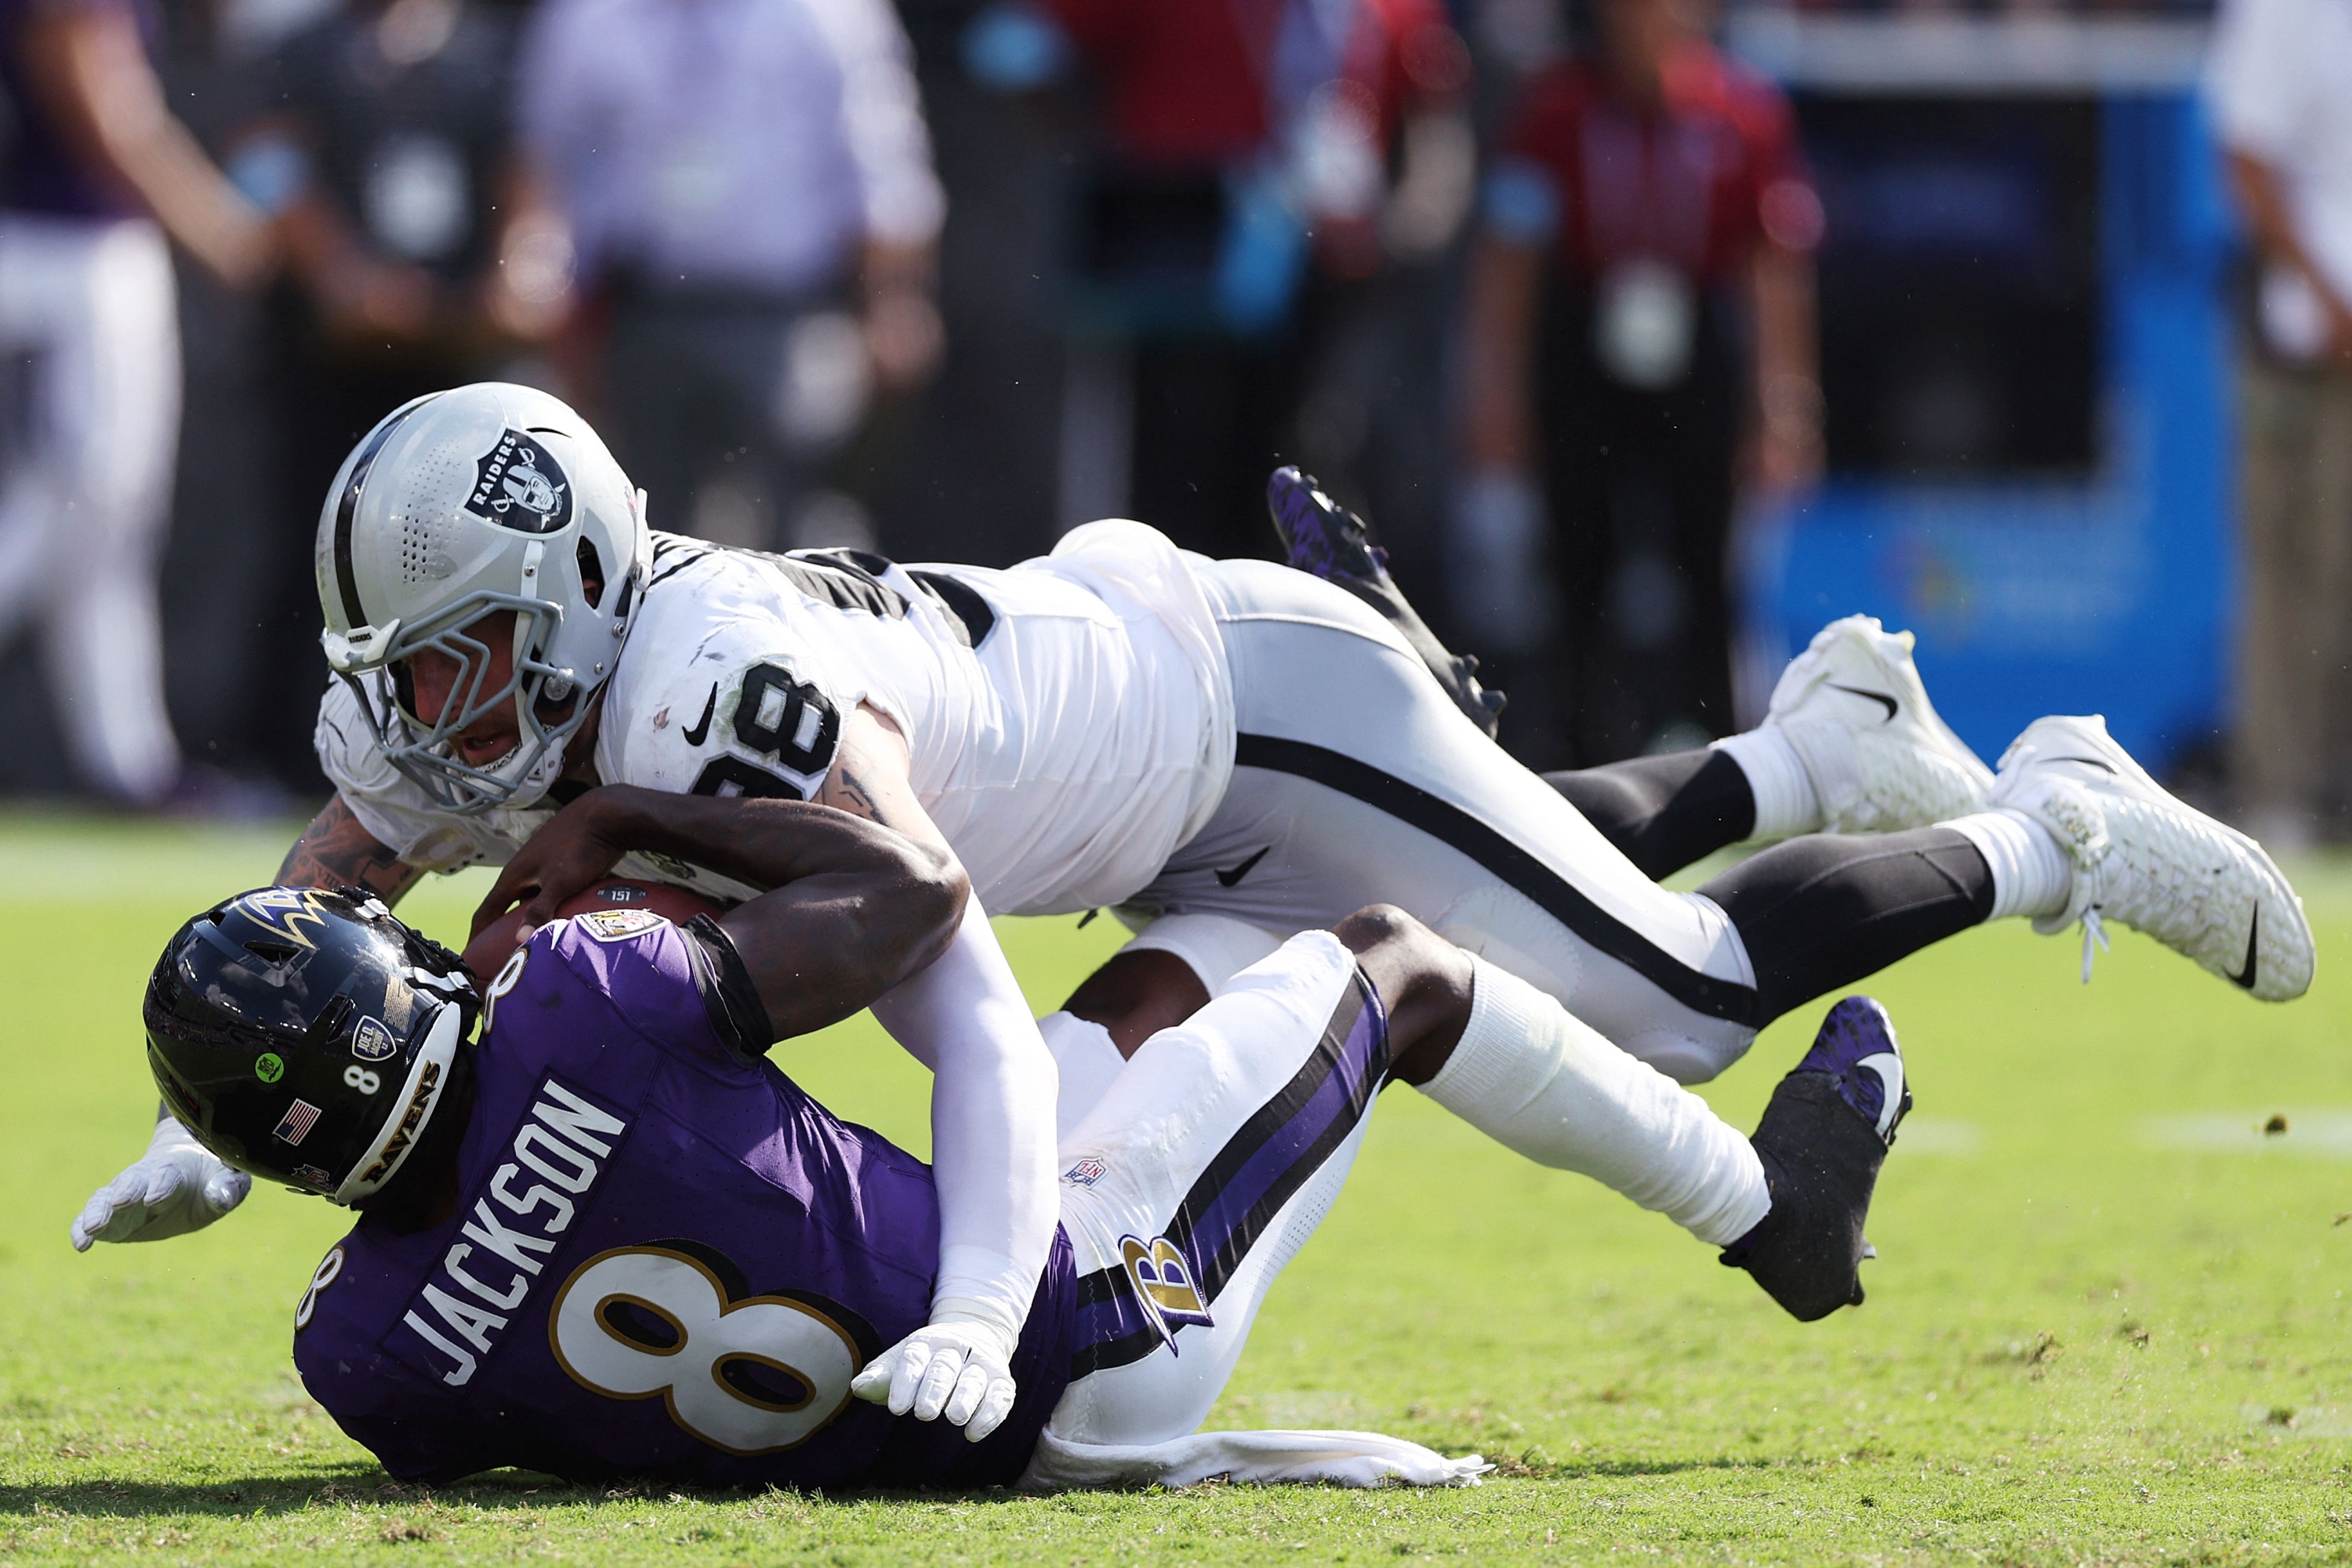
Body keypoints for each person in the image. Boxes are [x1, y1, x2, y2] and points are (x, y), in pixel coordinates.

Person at [74, 382, 2313, 1422]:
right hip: (1135, 792)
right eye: (402, 664)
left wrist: (972, 1307)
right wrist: (209, 1117)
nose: (417, 713)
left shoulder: (709, 693)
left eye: (457, 657)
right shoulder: (524, 691)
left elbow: (938, 960)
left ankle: (2048, 817)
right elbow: (331, 896)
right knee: (1482, 888)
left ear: (563, 600)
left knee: (1677, 994)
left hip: (1234, 707)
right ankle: (1806, 747)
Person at [132, 792, 1917, 1486]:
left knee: (1158, 982)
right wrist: (618, 818)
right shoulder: (584, 999)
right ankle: (1771, 1210)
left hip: (913, 1403)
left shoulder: (357, 1353)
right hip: (1085, 1337)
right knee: (1394, 967)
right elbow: (907, 892)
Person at [1457, 0, 1823, 767]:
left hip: (1694, 350)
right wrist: (1496, 396)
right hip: (1588, 347)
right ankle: (1583, 760)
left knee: (1708, 572)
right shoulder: (1557, 110)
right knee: (1580, 565)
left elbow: (1772, 269)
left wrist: (1783, 406)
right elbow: (1510, 261)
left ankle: (1725, 763)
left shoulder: (1741, 111)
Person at [517, 0, 946, 554]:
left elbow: (886, 172)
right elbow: (544, 158)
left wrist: (893, 300)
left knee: (801, 530)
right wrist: (550, 301)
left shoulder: (829, 13)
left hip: (788, 316)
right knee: (637, 534)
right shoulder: (590, 16)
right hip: (641, 316)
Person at [0, 0, 274, 802]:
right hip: (58, 261)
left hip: (81, 258)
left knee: (110, 529)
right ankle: (130, 761)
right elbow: (104, 108)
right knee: (53, 512)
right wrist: (217, 225)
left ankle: (131, 763)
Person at [2205, 0, 2352, 848]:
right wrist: (2330, 300)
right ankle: (2284, 798)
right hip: (2306, 346)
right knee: (2295, 570)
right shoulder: (2286, 10)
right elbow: (2247, 158)